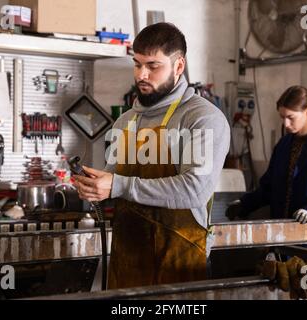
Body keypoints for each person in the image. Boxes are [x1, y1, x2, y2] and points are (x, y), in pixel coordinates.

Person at [73, 22, 230, 289]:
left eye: (153, 66)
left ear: (179, 66)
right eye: (137, 64)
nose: (141, 74)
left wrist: (116, 185)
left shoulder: (202, 118)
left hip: (179, 265)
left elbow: (194, 190)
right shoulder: (124, 122)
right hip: (127, 262)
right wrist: (94, 188)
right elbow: (114, 185)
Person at [226, 85, 307, 223]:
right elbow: (268, 188)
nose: (286, 124)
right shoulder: (284, 145)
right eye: (282, 117)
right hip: (281, 229)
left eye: (291, 117)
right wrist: (243, 204)